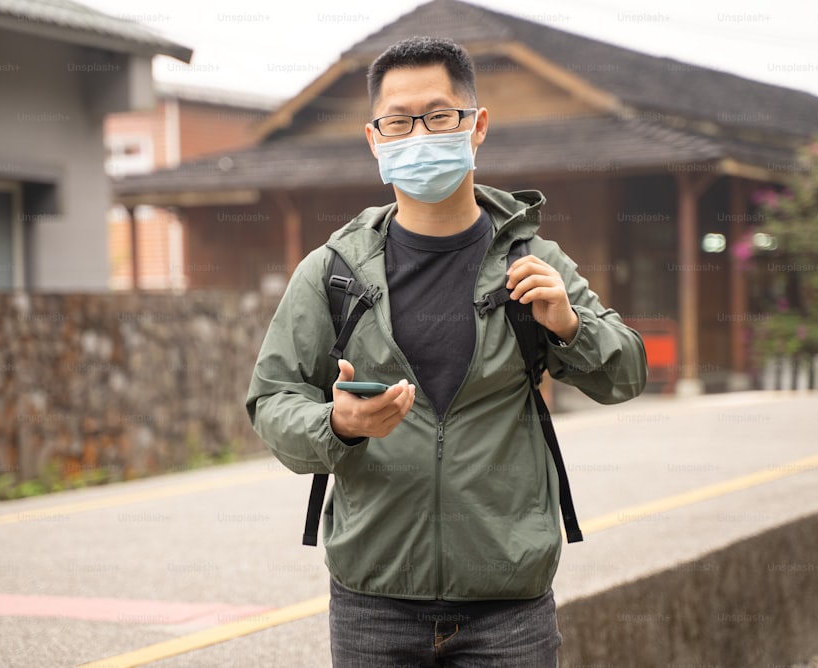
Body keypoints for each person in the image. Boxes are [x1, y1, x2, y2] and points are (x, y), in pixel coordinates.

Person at [247, 36, 647, 668]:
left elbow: (626, 373)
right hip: (372, 600)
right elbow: (273, 400)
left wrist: (571, 327)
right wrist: (335, 424)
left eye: (438, 116)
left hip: (508, 604)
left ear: (476, 125)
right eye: (398, 122)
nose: (418, 136)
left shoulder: (533, 262)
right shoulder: (334, 272)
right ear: (375, 138)